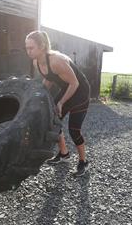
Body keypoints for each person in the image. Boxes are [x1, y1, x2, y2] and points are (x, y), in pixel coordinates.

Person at [25, 30, 91, 177]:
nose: (28, 51)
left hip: (80, 91)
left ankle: (83, 161)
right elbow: (49, 78)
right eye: (26, 48)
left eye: (31, 48)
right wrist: (39, 94)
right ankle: (64, 153)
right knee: (53, 120)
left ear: (42, 47)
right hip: (67, 88)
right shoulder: (37, 62)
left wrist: (60, 102)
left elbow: (75, 83)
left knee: (74, 129)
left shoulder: (57, 60)